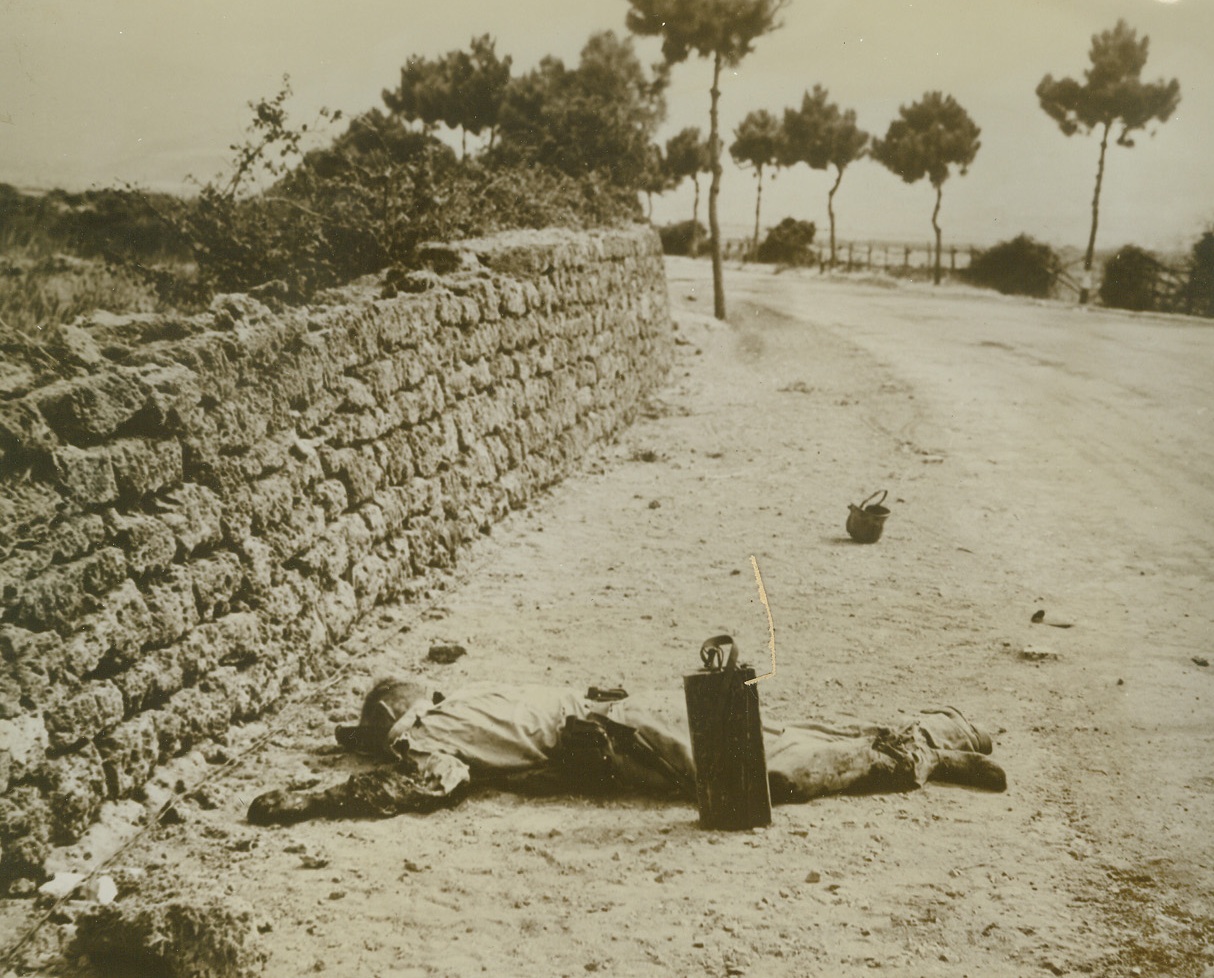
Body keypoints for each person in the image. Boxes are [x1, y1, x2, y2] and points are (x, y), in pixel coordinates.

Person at [247, 670, 1006, 826]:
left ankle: (924, 747)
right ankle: (942, 738)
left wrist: (313, 802)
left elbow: (435, 785)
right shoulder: (473, 693)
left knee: (769, 772)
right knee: (775, 741)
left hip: (616, 739)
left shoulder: (427, 738)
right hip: (618, 715)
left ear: (390, 728)